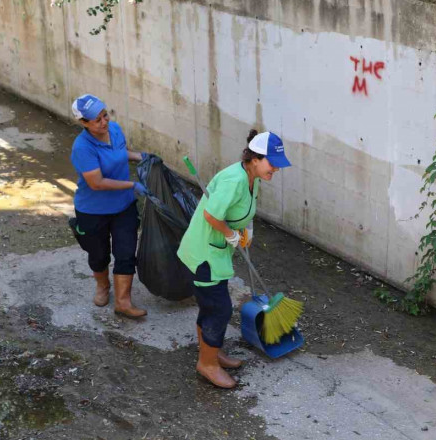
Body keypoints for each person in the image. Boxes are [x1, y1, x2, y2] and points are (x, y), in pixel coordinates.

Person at [177, 129, 292, 388]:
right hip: (204, 254)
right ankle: (206, 364)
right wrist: (230, 234)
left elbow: (244, 209)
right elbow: (211, 215)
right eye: (272, 163)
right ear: (254, 159)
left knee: (211, 306)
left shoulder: (254, 177)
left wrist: (247, 228)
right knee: (219, 309)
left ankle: (211, 351)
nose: (276, 169)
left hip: (216, 251)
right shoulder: (234, 180)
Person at [70, 94, 149, 319]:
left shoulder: (114, 129)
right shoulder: (82, 147)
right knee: (98, 254)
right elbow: (96, 182)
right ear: (84, 123)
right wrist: (132, 184)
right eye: (97, 120)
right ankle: (103, 287)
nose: (104, 121)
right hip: (92, 210)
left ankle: (123, 302)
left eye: (105, 115)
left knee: (125, 252)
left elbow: (118, 153)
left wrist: (139, 156)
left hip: (123, 206)